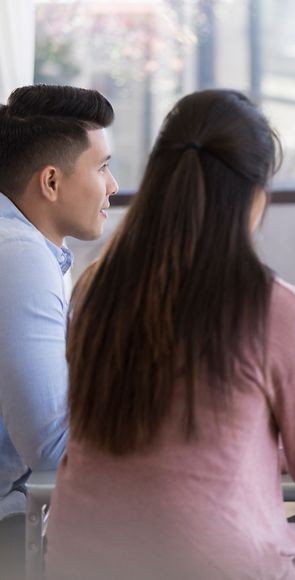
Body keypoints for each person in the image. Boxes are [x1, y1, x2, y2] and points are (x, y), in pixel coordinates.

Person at [44, 89, 295, 580]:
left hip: (79, 557)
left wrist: (286, 445)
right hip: (211, 566)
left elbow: (163, 441)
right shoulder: (275, 305)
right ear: (253, 192)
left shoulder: (95, 285)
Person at [0, 84, 117, 579]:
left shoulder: (27, 246)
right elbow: (51, 448)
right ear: (50, 181)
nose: (113, 186)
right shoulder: (18, 255)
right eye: (103, 167)